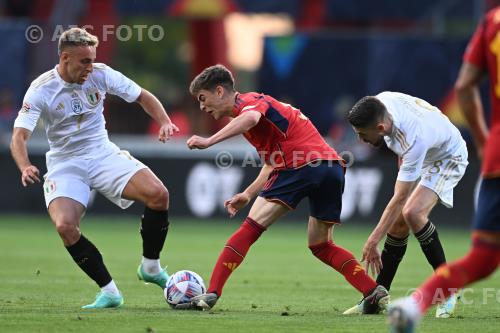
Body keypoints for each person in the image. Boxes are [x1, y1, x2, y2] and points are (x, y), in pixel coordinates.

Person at [179, 64, 389, 312]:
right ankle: (373, 292)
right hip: (330, 167)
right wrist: (248, 193)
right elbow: (271, 164)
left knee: (249, 230)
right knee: (321, 245)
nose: (202, 107)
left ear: (219, 91)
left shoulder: (250, 102)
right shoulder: (254, 114)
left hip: (301, 164)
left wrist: (209, 141)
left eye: (203, 99)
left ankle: (211, 293)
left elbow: (251, 118)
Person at [10, 28, 179, 309]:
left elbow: (142, 96)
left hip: (102, 154)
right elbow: (19, 136)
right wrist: (25, 165)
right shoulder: (41, 89)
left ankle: (150, 267)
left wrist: (163, 120)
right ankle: (110, 292)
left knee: (159, 194)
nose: (90, 67)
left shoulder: (102, 74)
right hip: (66, 163)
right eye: (84, 61)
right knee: (65, 226)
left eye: (92, 59)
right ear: (64, 58)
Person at [387, 7, 500, 332]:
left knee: (483, 258)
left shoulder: (491, 21)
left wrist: (483, 139)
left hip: (495, 157)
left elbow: (464, 86)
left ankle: (414, 304)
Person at [344, 91, 468, 317]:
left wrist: (373, 241)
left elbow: (400, 198)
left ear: (380, 128)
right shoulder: (379, 104)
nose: (361, 140)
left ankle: (448, 289)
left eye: (362, 135)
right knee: (398, 223)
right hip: (427, 146)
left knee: (412, 212)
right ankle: (375, 298)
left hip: (448, 156)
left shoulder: (412, 138)